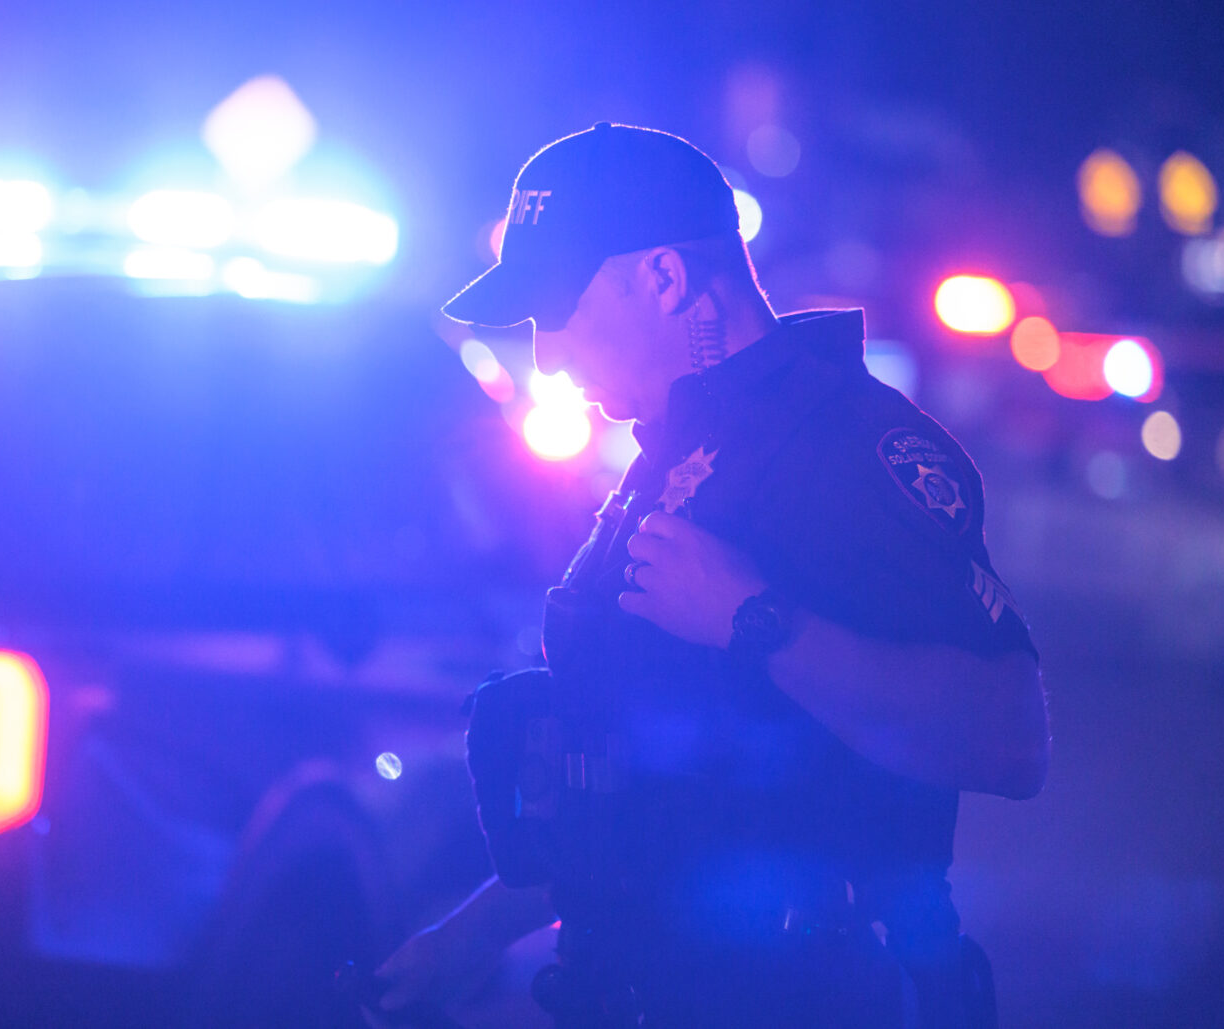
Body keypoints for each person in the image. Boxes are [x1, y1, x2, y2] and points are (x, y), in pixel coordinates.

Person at [374, 123, 1048, 1028]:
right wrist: (472, 933)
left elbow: (1012, 741)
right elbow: (660, 805)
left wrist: (757, 620)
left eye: (556, 312)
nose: (548, 357)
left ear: (664, 277)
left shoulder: (851, 449)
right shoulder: (675, 448)